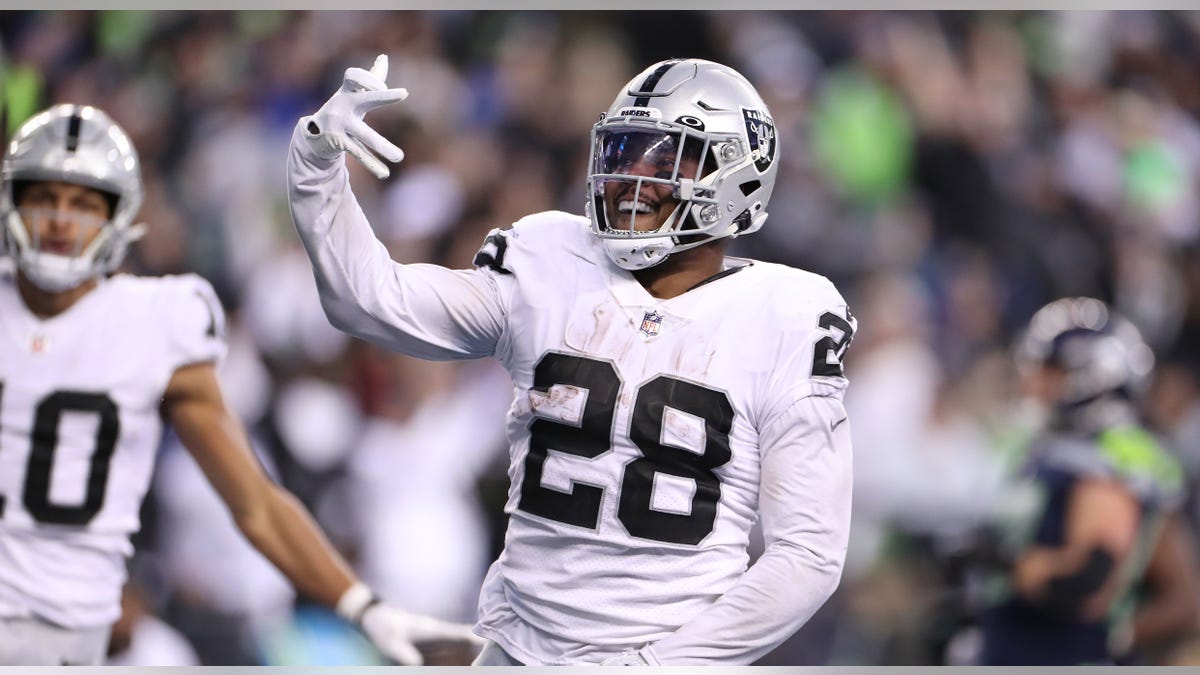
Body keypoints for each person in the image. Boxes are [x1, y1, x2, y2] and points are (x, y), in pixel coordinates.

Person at [288, 54, 857, 665]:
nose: (629, 177)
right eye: (622, 153)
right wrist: (319, 163)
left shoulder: (786, 315)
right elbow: (372, 302)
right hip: (517, 649)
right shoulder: (551, 260)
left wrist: (660, 665)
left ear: (735, 176)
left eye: (664, 159)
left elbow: (808, 554)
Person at [0, 103, 479, 666]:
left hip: (75, 633)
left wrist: (364, 608)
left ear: (119, 216)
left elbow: (254, 501)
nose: (61, 220)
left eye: (82, 203)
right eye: (45, 198)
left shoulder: (157, 320)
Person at [974, 296, 1188, 665]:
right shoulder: (1043, 446)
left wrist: (1008, 565)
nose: (1033, 382)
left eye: (1051, 370)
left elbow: (1087, 580)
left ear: (1095, 373)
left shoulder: (1113, 455)